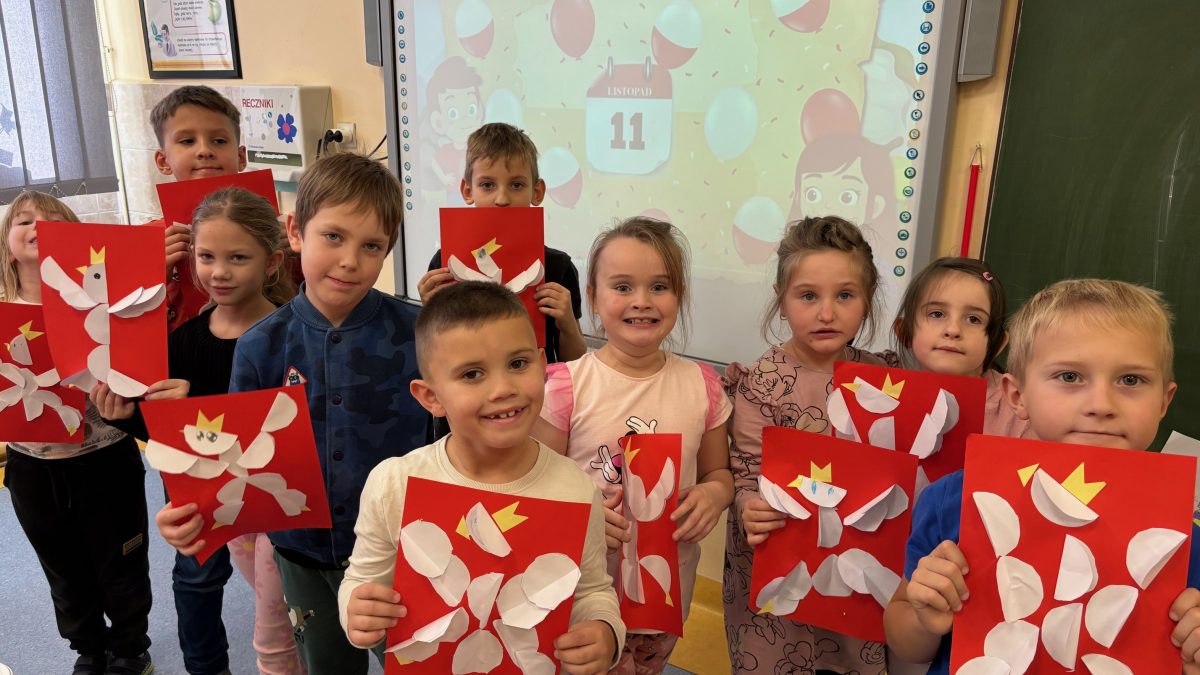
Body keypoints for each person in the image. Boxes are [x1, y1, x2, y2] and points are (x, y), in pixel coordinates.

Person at [884, 278, 1200, 673]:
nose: (1101, 404)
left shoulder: (1182, 535)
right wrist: (924, 617)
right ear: (1017, 396)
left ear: (1164, 402)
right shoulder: (955, 500)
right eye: (1069, 377)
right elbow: (906, 642)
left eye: (1131, 380)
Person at [338, 280, 625, 674]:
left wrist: (606, 632)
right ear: (432, 397)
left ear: (543, 366)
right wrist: (356, 611)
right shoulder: (394, 484)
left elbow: (592, 591)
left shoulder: (575, 489)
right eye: (472, 374)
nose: (503, 388)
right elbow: (363, 579)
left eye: (518, 364)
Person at [229, 151, 432, 674]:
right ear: (295, 232)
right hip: (304, 556)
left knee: (418, 662)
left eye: (372, 246)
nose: (349, 261)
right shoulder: (259, 346)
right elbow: (239, 464)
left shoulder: (421, 334)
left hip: (404, 551)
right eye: (334, 237)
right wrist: (198, 513)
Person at [91, 187, 304, 675]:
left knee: (286, 618)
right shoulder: (185, 341)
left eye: (237, 258)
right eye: (206, 257)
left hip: (286, 501)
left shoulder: (292, 335)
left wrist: (199, 407)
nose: (219, 272)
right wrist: (124, 416)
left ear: (272, 263)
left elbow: (293, 424)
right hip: (222, 503)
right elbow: (170, 437)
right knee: (231, 591)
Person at [532, 216, 732, 674]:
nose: (642, 301)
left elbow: (718, 473)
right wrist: (579, 517)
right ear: (593, 299)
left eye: (659, 287)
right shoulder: (566, 386)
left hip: (662, 595)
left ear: (679, 296)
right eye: (622, 287)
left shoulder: (702, 385)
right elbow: (535, 488)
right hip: (580, 593)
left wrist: (714, 494)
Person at [725, 216, 892, 675]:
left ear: (867, 299)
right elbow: (746, 470)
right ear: (781, 299)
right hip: (780, 567)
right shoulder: (763, 380)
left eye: (845, 295)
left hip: (854, 570)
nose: (826, 313)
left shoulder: (883, 379)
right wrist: (748, 504)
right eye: (808, 296)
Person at [1, 191, 152, 675]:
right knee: (63, 568)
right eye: (25, 221)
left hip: (106, 456)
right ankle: (88, 647)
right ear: (7, 245)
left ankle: (131, 647)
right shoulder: (2, 312)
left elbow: (138, 365)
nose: (38, 226)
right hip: (32, 467)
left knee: (123, 561)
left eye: (52, 221)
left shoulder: (102, 304)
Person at [418, 122, 586, 364]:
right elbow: (435, 355)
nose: (502, 199)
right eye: (487, 185)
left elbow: (576, 363)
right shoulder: (446, 264)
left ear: (537, 192)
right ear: (467, 191)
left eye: (516, 185)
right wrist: (430, 309)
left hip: (538, 385)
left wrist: (567, 323)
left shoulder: (558, 267)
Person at [891, 256, 1028, 437]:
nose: (953, 330)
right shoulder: (887, 396)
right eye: (937, 314)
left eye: (973, 319)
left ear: (996, 344)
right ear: (904, 332)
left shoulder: (1020, 409)